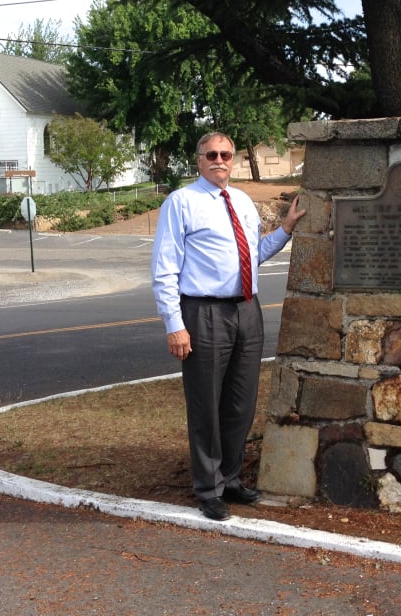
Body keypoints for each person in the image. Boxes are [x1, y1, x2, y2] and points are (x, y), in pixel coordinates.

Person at [151, 132, 305, 521]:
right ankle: (209, 488)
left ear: (233, 159)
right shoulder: (181, 203)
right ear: (199, 159)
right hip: (203, 314)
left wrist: (286, 229)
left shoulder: (241, 201)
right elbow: (165, 268)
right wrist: (175, 324)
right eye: (212, 155)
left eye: (226, 154)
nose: (220, 160)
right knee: (206, 404)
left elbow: (253, 252)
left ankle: (231, 479)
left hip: (246, 310)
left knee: (240, 401)